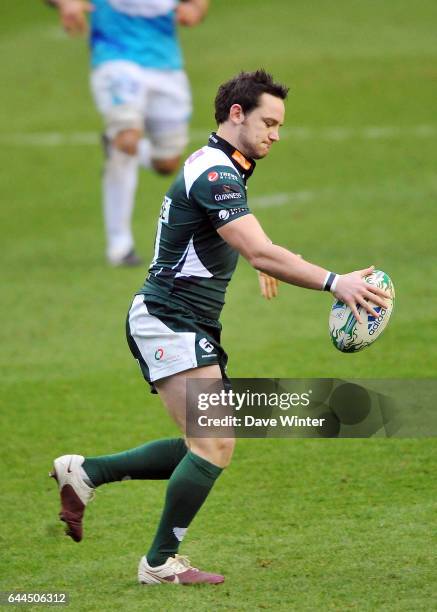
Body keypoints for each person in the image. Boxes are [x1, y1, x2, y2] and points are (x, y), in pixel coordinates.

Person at [50, 70, 390, 585]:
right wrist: (333, 282)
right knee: (214, 443)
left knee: (206, 441)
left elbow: (235, 236)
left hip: (185, 320)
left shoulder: (222, 165)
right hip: (168, 319)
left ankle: (87, 472)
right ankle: (160, 563)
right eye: (268, 122)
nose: (275, 134)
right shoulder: (216, 174)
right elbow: (254, 245)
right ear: (237, 114)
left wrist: (267, 258)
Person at [46, 0, 209, 266]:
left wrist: (196, 9)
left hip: (166, 64)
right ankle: (120, 246)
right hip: (116, 57)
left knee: (166, 163)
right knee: (128, 138)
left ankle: (116, 146)